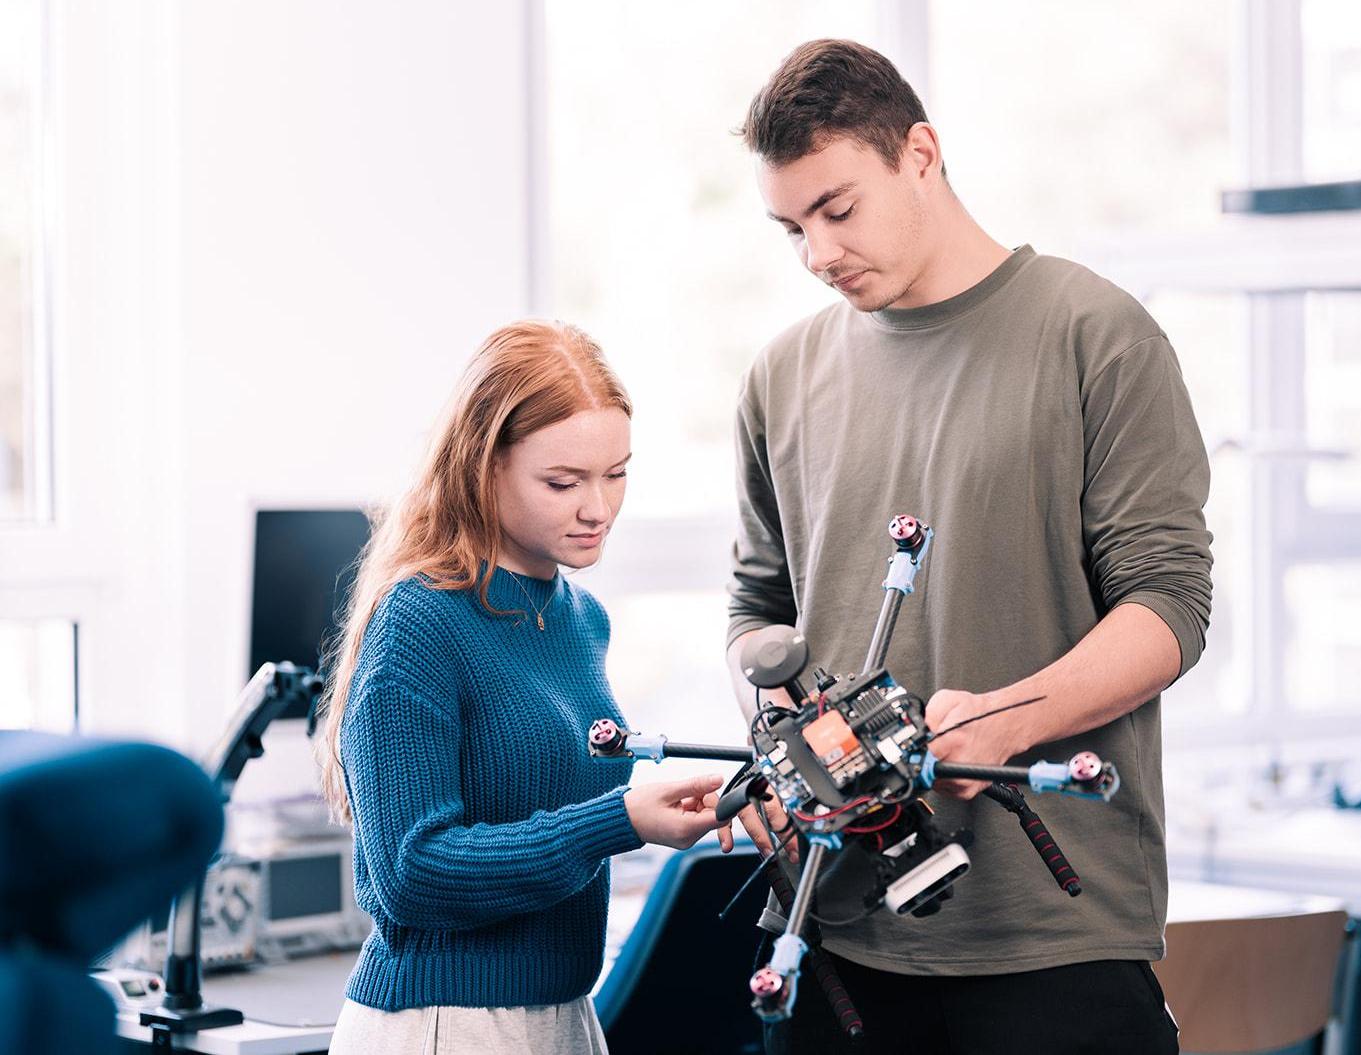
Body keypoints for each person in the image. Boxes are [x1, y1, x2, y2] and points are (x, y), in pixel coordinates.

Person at [725, 40, 1212, 1054]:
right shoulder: (781, 376)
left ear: (920, 154)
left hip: (1047, 939)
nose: (818, 252)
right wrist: (785, 744)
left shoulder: (1097, 335)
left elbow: (1168, 608)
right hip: (830, 931)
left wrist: (997, 721)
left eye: (838, 209)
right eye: (792, 227)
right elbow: (756, 610)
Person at [316, 320, 732, 1055]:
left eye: (617, 472)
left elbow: (556, 816)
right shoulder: (420, 619)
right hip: (445, 1023)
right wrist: (622, 820)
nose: (598, 508)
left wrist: (670, 815)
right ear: (484, 468)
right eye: (562, 482)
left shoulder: (579, 619)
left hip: (564, 1012)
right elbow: (411, 872)